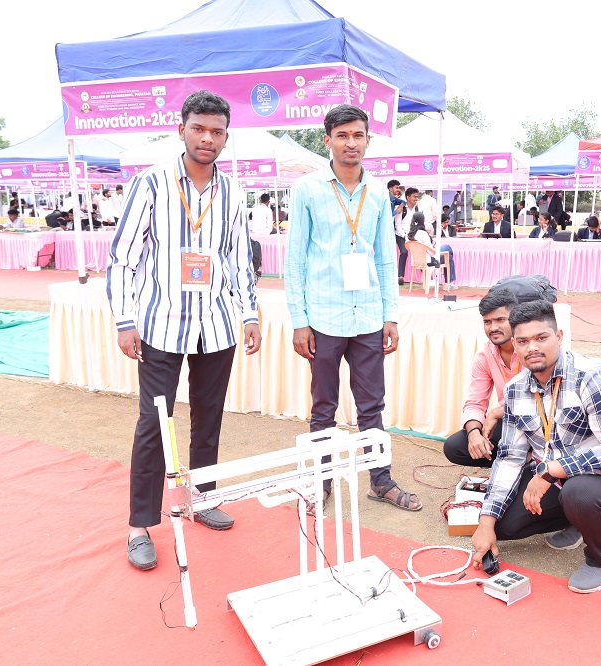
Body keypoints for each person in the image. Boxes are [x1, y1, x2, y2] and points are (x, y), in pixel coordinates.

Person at [107, 90, 262, 571]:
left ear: (226, 138)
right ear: (181, 130)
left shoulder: (233, 192)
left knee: (209, 419)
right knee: (154, 424)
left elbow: (239, 260)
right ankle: (139, 526)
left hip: (216, 325)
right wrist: (125, 320)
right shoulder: (151, 184)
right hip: (160, 324)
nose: (207, 138)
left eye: (217, 131)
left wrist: (249, 314)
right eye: (199, 128)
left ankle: (203, 497)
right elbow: (122, 257)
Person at [285, 104, 420, 512]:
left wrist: (390, 315)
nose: (350, 143)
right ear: (327, 140)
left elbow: (386, 260)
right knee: (323, 407)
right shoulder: (307, 189)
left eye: (358, 135)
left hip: (368, 316)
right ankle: (322, 483)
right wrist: (299, 321)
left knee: (372, 405)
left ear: (368, 140)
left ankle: (381, 481)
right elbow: (295, 260)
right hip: (324, 317)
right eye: (342, 135)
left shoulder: (378, 192)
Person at [470, 299, 601, 594]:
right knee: (503, 526)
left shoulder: (593, 377)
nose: (532, 348)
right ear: (514, 345)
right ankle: (578, 520)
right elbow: (509, 458)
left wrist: (550, 471)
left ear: (559, 336)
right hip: (558, 478)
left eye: (541, 338)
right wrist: (486, 520)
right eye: (523, 341)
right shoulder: (516, 389)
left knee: (580, 492)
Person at [443, 288, 521, 468]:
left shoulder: (529, 348)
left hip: (539, 421)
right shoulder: (485, 355)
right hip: (510, 421)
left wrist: (496, 413)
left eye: (500, 320)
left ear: (515, 318)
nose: (493, 328)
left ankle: (526, 462)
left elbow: (541, 400)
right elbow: (475, 403)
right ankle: (513, 463)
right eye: (487, 322)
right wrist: (473, 433)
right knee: (455, 447)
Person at [408, 211, 454, 286]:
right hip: (429, 260)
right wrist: (435, 248)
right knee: (448, 251)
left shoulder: (409, 234)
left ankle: (448, 282)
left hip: (416, 260)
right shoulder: (423, 234)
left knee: (448, 255)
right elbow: (431, 252)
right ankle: (448, 283)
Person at [395, 187, 419, 284]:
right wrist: (405, 236)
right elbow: (397, 225)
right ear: (408, 197)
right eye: (414, 197)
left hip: (413, 235)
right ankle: (400, 276)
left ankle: (427, 275)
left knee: (421, 251)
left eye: (417, 197)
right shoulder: (401, 208)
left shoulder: (417, 209)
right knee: (404, 252)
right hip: (401, 235)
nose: (416, 199)